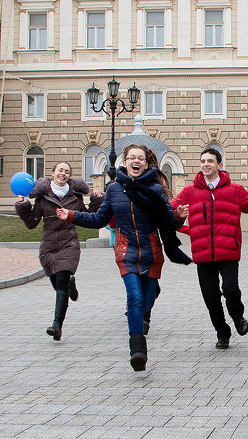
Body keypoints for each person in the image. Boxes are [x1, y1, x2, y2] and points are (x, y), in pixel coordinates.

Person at [56, 144, 191, 371]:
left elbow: (168, 222)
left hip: (151, 252)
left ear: (146, 164)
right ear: (125, 163)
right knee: (135, 299)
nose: (135, 161)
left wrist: (177, 216)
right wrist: (70, 215)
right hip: (126, 252)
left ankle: (144, 319)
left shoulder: (155, 190)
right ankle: (138, 350)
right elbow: (98, 219)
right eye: (131, 158)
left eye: (140, 158)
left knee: (147, 299)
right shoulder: (115, 190)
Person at [172, 146, 248, 350]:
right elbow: (171, 209)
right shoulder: (190, 192)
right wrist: (177, 213)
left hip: (228, 250)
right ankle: (222, 332)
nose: (206, 164)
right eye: (203, 161)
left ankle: (238, 316)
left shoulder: (234, 190)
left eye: (210, 161)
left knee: (230, 289)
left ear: (219, 165)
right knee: (211, 298)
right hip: (203, 254)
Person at [15, 161, 102, 341]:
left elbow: (88, 217)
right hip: (48, 246)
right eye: (60, 170)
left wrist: (96, 200)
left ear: (69, 176)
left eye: (67, 171)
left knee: (60, 283)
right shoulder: (42, 198)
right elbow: (32, 223)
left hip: (69, 243)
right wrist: (23, 206)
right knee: (58, 285)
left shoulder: (76, 197)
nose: (63, 173)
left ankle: (56, 325)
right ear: (53, 173)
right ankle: (70, 284)